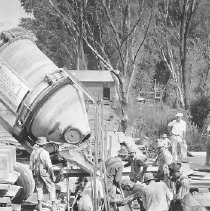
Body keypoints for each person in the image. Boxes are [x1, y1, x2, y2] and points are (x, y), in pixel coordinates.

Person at [30, 137, 56, 211]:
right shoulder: (45, 153)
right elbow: (49, 166)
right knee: (51, 187)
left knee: (39, 188)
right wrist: (53, 175)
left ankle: (39, 206)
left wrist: (33, 173)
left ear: (38, 144)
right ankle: (53, 205)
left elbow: (31, 165)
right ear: (44, 145)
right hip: (44, 171)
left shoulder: (33, 152)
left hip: (36, 171)